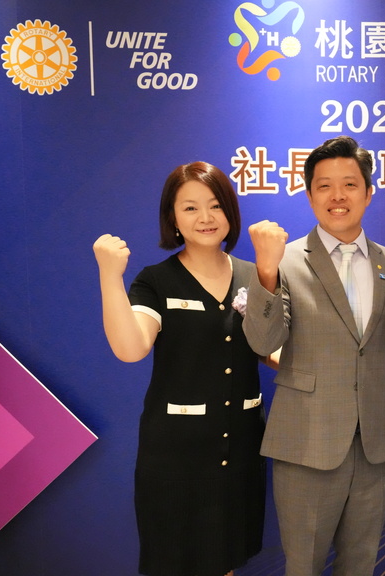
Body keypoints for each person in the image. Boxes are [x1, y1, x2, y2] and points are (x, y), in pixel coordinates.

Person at [242, 135, 385, 576]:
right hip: (307, 442)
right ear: (309, 194)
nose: (338, 196)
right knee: (303, 565)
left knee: (361, 564)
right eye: (325, 186)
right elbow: (262, 341)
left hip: (375, 444)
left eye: (350, 184)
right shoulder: (283, 261)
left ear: (368, 193)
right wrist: (265, 272)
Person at [93, 161, 266, 576]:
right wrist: (110, 277)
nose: (205, 217)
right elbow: (131, 348)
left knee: (226, 559)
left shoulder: (255, 276)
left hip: (241, 449)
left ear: (230, 211)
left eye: (215, 205)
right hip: (177, 456)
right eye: (190, 208)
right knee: (176, 560)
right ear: (172, 217)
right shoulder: (156, 281)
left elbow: (273, 348)